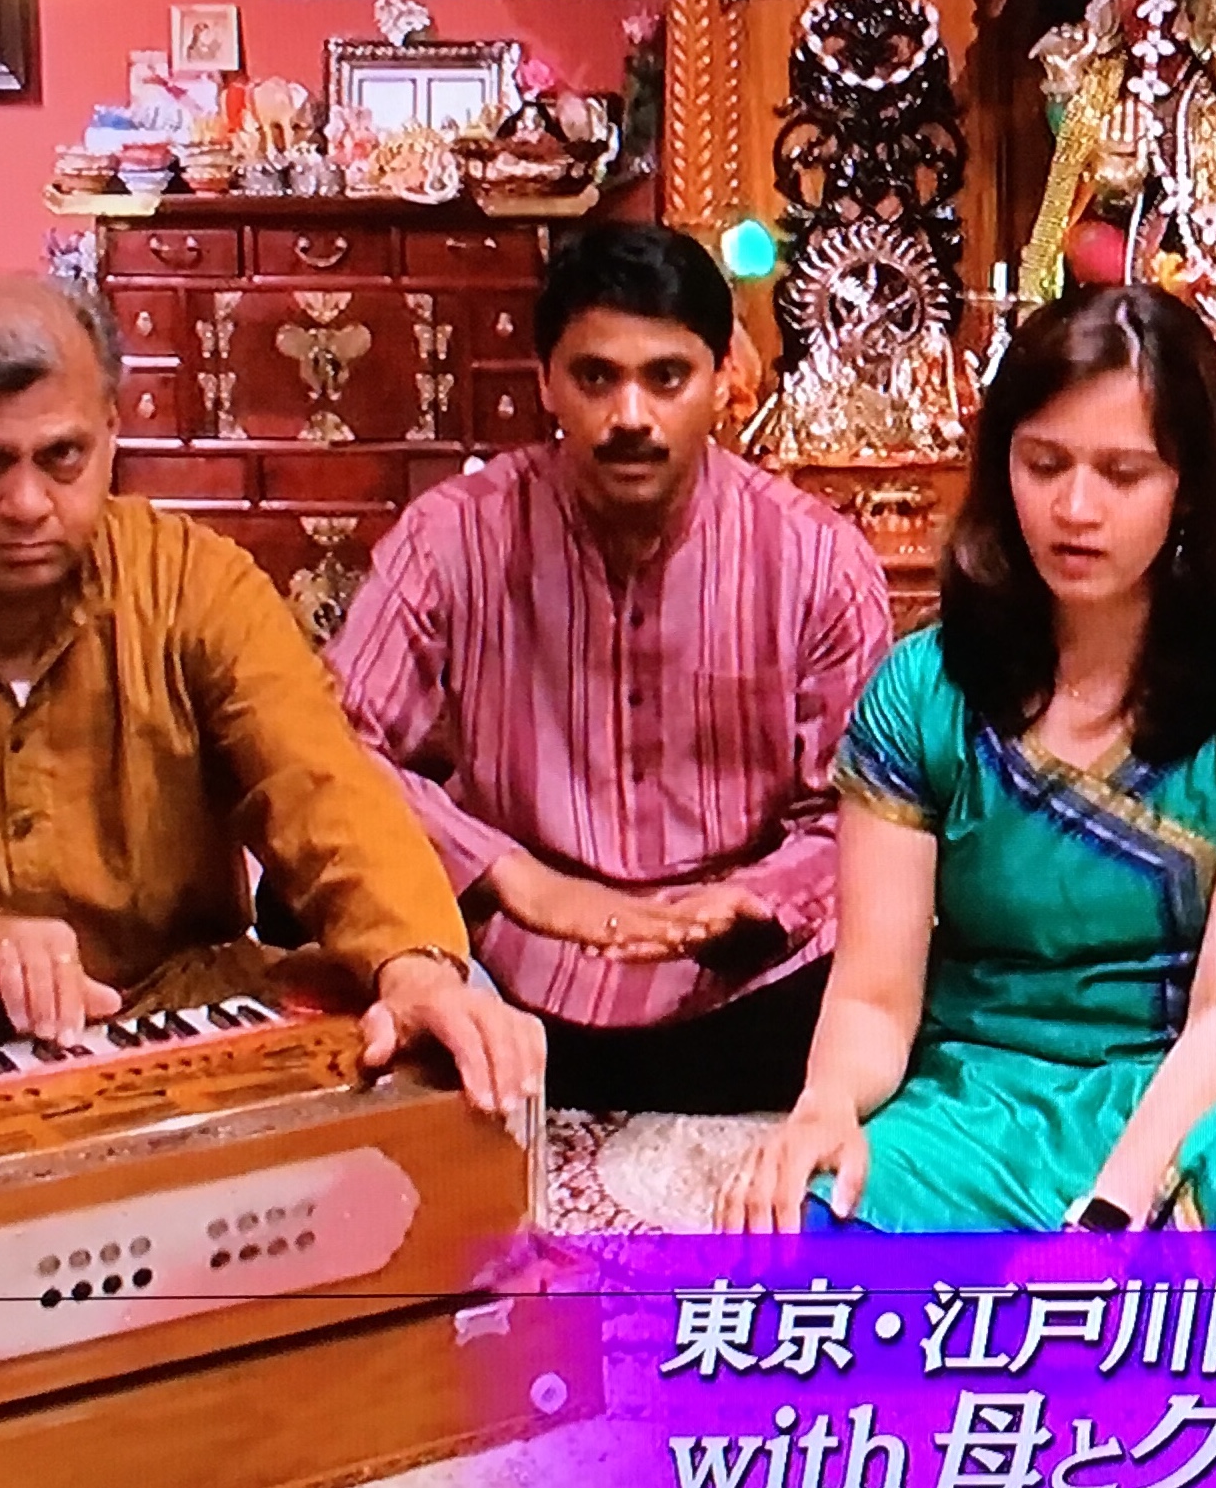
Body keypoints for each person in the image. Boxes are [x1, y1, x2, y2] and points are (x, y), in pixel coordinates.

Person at [0, 273, 544, 1110]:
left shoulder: (192, 582)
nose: (26, 503)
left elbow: (320, 784)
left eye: (62, 456)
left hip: (163, 1014)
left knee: (432, 1025)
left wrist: (415, 961)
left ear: (111, 433)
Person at [720, 287, 1216, 1233]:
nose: (1074, 508)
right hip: (979, 1101)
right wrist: (822, 1110)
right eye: (1044, 464)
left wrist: (1113, 1213)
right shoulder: (922, 687)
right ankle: (1152, 1303)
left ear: (1189, 485)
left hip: (1198, 1098)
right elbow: (874, 997)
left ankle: (1082, 1295)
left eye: (1122, 474)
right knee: (808, 1227)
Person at [329, 224, 891, 1114]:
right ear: (545, 380)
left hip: (742, 986)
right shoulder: (450, 538)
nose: (631, 416)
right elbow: (332, 751)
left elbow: (858, 810)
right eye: (596, 378)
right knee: (332, 935)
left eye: (667, 378)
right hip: (511, 971)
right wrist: (509, 874)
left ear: (725, 378)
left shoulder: (819, 562)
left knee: (896, 975)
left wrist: (750, 901)